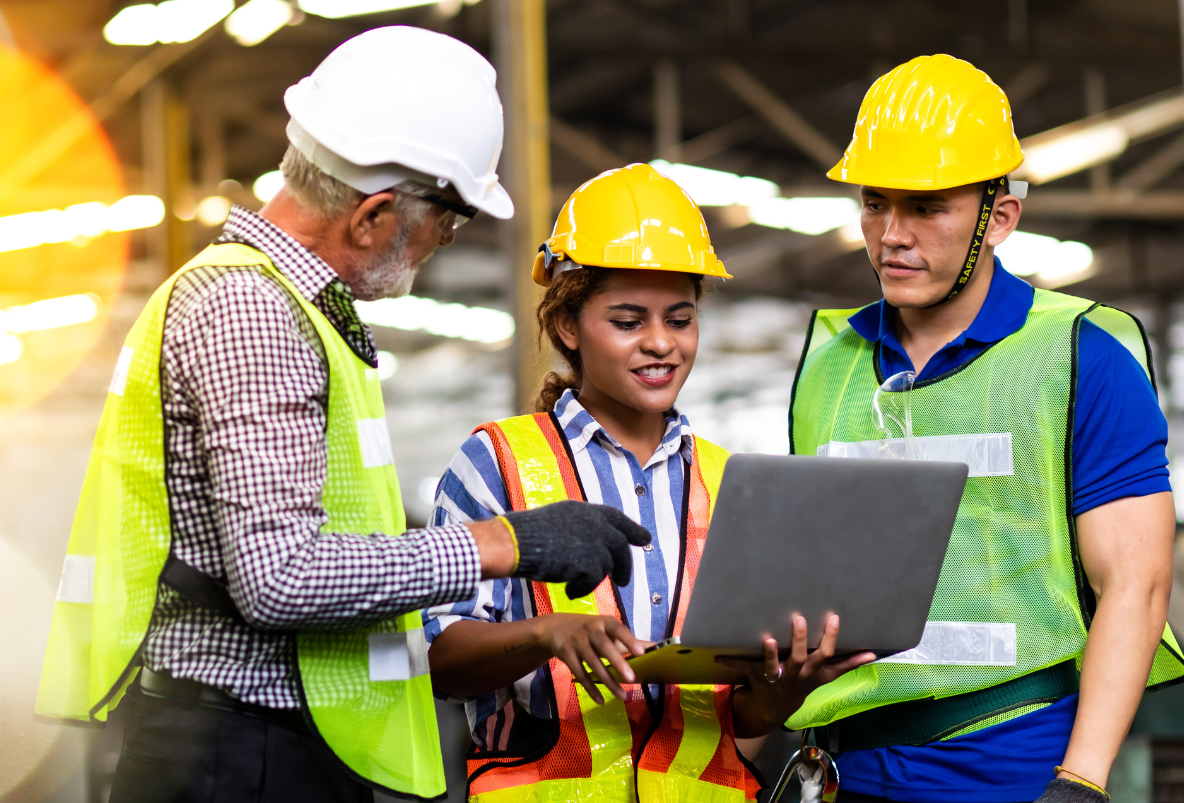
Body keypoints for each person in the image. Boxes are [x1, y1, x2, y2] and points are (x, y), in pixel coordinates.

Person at [35, 27, 652, 803]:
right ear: (373, 215)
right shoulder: (252, 311)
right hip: (236, 758)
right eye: (448, 222)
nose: (441, 244)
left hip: (253, 744)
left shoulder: (285, 306)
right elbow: (280, 577)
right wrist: (504, 543)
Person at [786, 54, 1184, 803]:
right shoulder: (828, 362)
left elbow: (1136, 581)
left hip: (1011, 768)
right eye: (875, 203)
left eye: (926, 206)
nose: (890, 235)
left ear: (1000, 217)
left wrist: (1082, 781)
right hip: (843, 770)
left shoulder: (1079, 355)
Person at [422, 163, 874, 803]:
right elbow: (441, 659)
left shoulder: (729, 483)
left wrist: (782, 692)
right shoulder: (496, 461)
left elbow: (734, 722)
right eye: (629, 321)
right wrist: (547, 635)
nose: (661, 344)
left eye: (681, 319)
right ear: (567, 326)